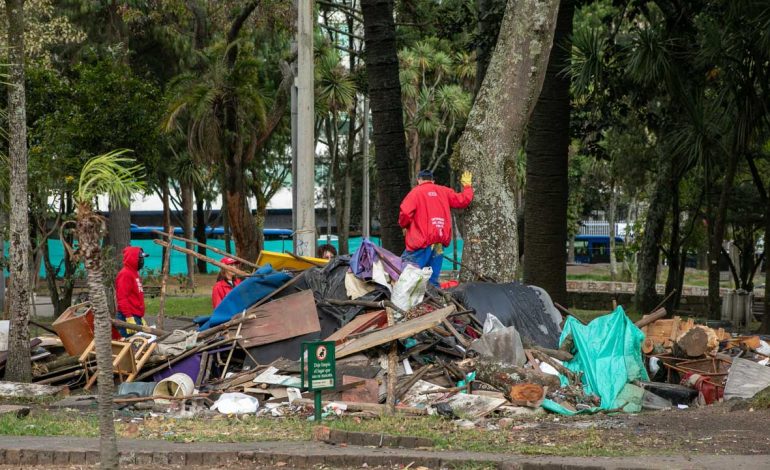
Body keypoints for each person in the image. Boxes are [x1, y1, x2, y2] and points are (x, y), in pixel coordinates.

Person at [398, 169, 473, 286]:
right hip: (438, 242)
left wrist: (404, 225)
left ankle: (406, 303)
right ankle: (432, 302)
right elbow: (463, 200)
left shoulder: (415, 192)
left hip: (420, 241)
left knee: (405, 276)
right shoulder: (443, 191)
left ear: (419, 180)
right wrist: (467, 186)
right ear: (433, 180)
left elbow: (405, 213)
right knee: (432, 279)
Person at [115, 246, 149, 337]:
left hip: (135, 317)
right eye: (140, 258)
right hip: (127, 317)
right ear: (132, 258)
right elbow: (122, 298)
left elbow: (135, 297)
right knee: (129, 347)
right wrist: (129, 317)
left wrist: (140, 317)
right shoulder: (125, 274)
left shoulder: (134, 273)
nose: (142, 261)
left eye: (142, 258)